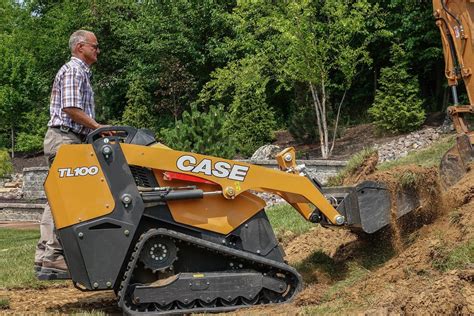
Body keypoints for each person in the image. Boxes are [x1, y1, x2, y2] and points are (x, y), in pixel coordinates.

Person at [35, 30, 107, 278]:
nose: (98, 50)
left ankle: (45, 256)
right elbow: (70, 107)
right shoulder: (74, 70)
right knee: (67, 198)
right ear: (80, 47)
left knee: (55, 198)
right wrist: (99, 129)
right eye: (95, 46)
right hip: (65, 138)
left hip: (66, 137)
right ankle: (55, 257)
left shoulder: (81, 73)